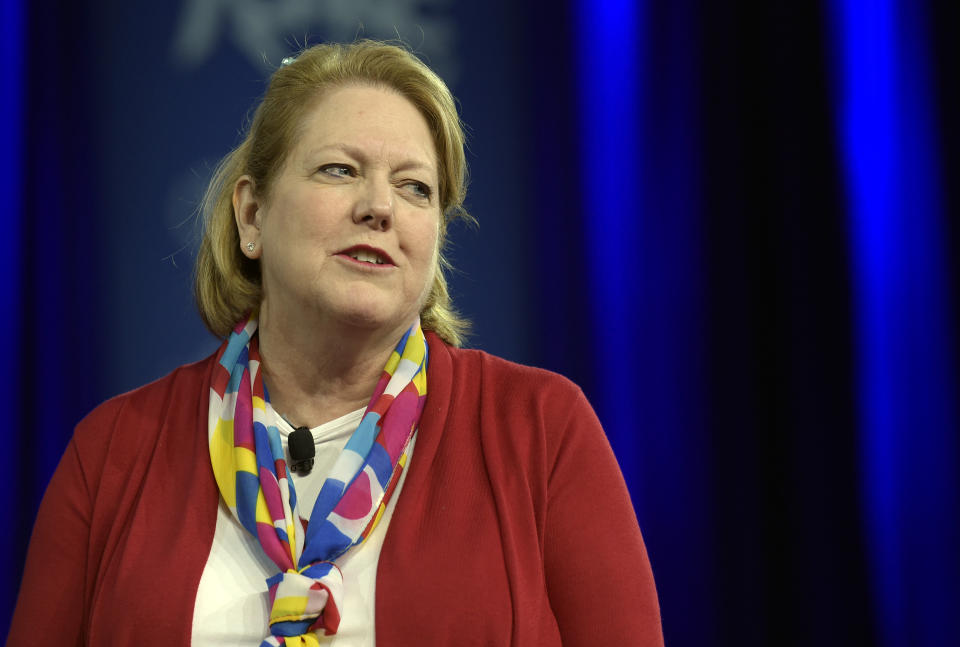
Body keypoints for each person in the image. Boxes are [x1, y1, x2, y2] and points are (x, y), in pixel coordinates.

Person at [8, 40, 663, 646]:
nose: (380, 206)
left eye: (415, 187)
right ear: (252, 215)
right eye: (339, 169)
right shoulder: (112, 453)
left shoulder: (540, 429)